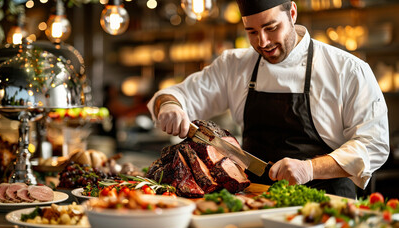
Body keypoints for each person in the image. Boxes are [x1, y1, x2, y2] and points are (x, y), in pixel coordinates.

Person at [147, 0, 389, 198]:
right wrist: (170, 105)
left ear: (292, 13)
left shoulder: (347, 69)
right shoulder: (234, 65)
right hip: (255, 202)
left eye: (271, 28)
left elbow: (374, 144)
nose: (262, 42)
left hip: (326, 206)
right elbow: (175, 95)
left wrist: (309, 168)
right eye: (251, 32)